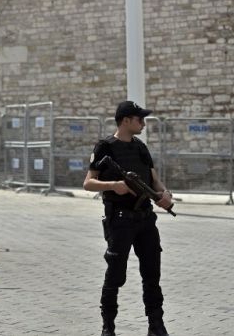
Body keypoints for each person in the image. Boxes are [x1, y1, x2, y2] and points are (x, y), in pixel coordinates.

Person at [83, 101, 173, 336]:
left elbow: (154, 179)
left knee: (152, 274)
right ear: (125, 121)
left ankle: (156, 325)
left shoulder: (141, 147)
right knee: (115, 275)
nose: (143, 123)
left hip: (145, 220)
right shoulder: (105, 147)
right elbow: (88, 182)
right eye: (139, 119)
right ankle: (108, 327)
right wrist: (114, 185)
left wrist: (164, 194)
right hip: (120, 221)